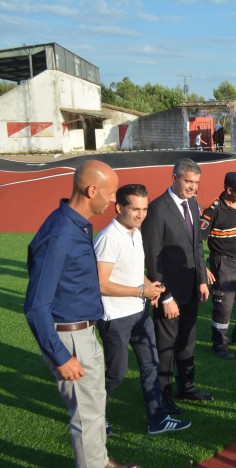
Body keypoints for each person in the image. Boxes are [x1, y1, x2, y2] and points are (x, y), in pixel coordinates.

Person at [24, 160, 137, 467]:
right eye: (111, 193)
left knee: (94, 405)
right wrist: (60, 355)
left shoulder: (75, 224)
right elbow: (36, 306)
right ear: (92, 190)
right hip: (69, 338)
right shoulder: (61, 234)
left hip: (83, 332)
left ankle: (102, 462)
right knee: (86, 417)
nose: (114, 200)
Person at [95, 184, 191, 435]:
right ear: (118, 208)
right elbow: (101, 284)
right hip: (115, 317)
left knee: (151, 365)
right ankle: (94, 418)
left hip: (139, 313)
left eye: (145, 209)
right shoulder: (108, 238)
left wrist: (152, 288)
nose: (141, 215)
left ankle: (157, 419)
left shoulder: (135, 232)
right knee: (115, 374)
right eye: (135, 209)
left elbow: (136, 275)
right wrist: (141, 292)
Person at [142, 158, 212, 414]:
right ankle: (163, 396)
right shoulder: (157, 210)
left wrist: (202, 279)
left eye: (196, 183)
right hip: (169, 294)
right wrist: (165, 296)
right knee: (166, 347)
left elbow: (196, 247)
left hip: (191, 289)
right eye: (189, 182)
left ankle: (187, 387)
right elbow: (152, 258)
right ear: (174, 178)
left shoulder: (192, 205)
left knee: (187, 341)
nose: (193, 187)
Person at [200, 172, 236, 360]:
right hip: (222, 263)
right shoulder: (212, 211)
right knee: (224, 306)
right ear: (229, 190)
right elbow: (195, 242)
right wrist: (203, 267)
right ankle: (219, 345)